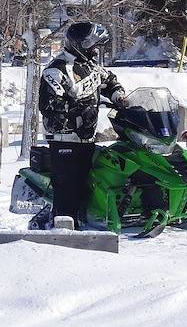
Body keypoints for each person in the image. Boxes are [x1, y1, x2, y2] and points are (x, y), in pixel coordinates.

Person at [35, 22, 126, 229]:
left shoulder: (91, 66)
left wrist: (119, 96)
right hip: (64, 139)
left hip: (87, 137)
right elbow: (49, 106)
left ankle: (87, 224)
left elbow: (109, 80)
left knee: (89, 184)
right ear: (79, 44)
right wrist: (78, 109)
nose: (95, 50)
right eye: (92, 45)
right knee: (68, 186)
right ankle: (62, 227)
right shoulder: (56, 70)